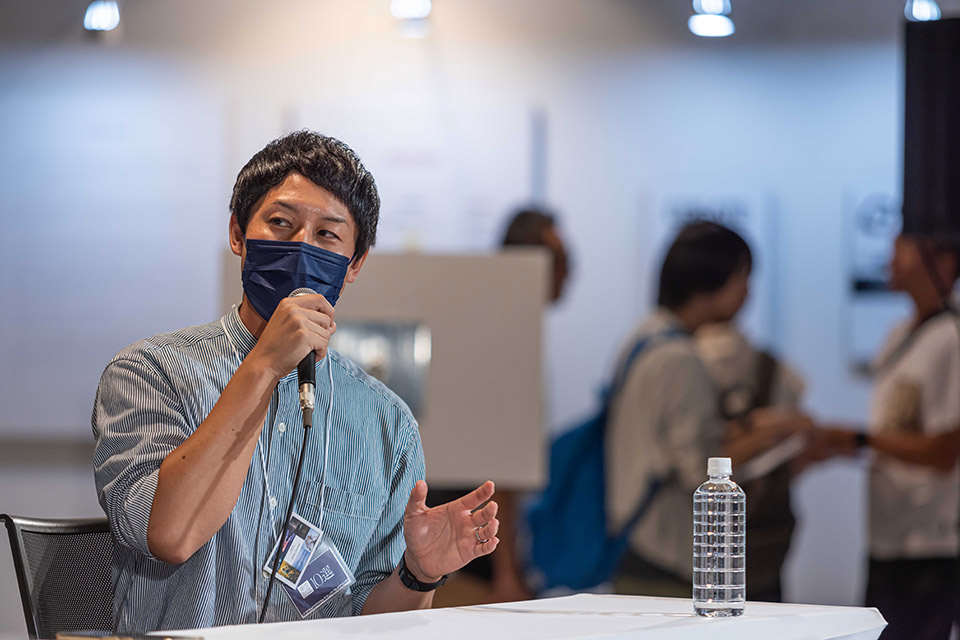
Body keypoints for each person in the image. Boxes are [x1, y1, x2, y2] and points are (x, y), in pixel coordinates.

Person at [92, 131, 501, 634]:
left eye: (328, 235)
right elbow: (171, 535)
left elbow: (371, 625)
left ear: (354, 264)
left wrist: (419, 573)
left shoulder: (386, 421)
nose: (302, 248)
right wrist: (263, 365)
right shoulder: (149, 373)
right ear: (239, 235)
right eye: (281, 223)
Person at [605, 221, 810, 597]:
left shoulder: (641, 339)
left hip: (635, 547)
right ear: (716, 279)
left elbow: (666, 440)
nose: (748, 292)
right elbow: (699, 469)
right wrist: (775, 432)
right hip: (668, 563)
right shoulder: (681, 358)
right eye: (743, 277)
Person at [817, 234, 960, 640]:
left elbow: (944, 451)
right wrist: (842, 444)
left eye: (905, 247)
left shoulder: (951, 336)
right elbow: (894, 434)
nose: (891, 257)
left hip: (930, 540)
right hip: (887, 532)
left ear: (944, 262)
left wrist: (862, 439)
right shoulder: (899, 333)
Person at [428, 206, 570, 605]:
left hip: (475, 538)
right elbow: (498, 465)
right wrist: (507, 572)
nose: (567, 273)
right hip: (468, 543)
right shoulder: (500, 342)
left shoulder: (505, 335)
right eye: (559, 260)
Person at [694, 322, 807, 601]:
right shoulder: (681, 363)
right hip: (756, 538)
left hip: (761, 537)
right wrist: (766, 429)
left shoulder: (772, 367)